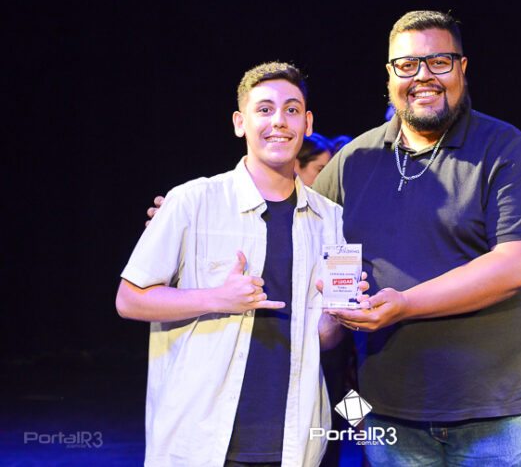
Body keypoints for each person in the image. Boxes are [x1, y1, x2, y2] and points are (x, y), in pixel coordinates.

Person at [314, 10, 521, 466]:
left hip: (493, 416)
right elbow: (297, 230)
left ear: (463, 68)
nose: (422, 76)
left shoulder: (503, 147)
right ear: (389, 76)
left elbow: (520, 264)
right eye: (407, 65)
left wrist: (404, 304)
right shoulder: (353, 160)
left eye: (439, 62)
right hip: (387, 417)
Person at [117, 62, 363, 467]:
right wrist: (217, 297)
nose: (278, 121)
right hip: (200, 439)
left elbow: (324, 339)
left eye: (291, 109)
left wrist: (339, 314)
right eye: (264, 109)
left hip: (294, 440)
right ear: (239, 122)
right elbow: (129, 299)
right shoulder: (192, 200)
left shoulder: (331, 220)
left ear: (306, 122)